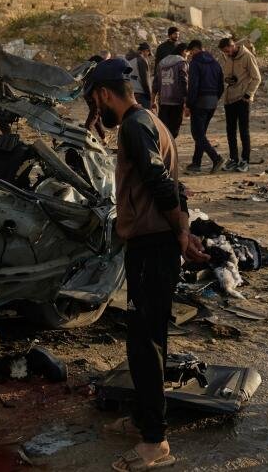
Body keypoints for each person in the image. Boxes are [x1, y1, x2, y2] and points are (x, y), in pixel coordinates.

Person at [83, 58, 206, 472]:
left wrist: (181, 232)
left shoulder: (134, 128)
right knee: (148, 336)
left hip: (152, 248)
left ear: (105, 94)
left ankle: (155, 440)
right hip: (157, 243)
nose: (97, 110)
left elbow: (160, 183)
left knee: (144, 343)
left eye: (95, 101)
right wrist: (183, 229)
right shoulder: (152, 121)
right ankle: (142, 419)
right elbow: (174, 185)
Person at [219, 38, 262, 172]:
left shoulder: (247, 56)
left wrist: (248, 94)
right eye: (224, 52)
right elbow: (226, 75)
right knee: (230, 131)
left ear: (233, 46)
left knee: (243, 131)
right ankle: (233, 159)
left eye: (227, 51)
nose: (226, 54)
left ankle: (245, 160)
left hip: (243, 99)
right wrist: (228, 79)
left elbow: (257, 78)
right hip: (229, 98)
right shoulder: (228, 57)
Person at [185, 44, 224, 173]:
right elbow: (221, 85)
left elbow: (193, 86)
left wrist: (189, 104)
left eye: (191, 52)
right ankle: (196, 162)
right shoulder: (215, 63)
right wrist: (215, 98)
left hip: (200, 102)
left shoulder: (195, 63)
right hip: (212, 102)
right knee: (201, 134)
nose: (191, 55)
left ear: (195, 49)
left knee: (197, 134)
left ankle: (216, 158)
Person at [153, 40, 194, 138]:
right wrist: (186, 101)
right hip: (176, 100)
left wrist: (153, 99)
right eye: (188, 53)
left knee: (163, 128)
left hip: (163, 100)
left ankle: (164, 145)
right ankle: (170, 145)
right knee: (174, 129)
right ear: (184, 51)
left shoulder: (162, 62)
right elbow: (184, 81)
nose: (188, 56)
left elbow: (156, 82)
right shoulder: (182, 62)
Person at [84, 51, 111, 141]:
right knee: (94, 115)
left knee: (95, 116)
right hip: (96, 94)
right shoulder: (102, 65)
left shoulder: (90, 63)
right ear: (105, 57)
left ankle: (103, 137)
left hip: (87, 92)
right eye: (108, 58)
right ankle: (84, 136)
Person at [126, 43, 155, 109]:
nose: (148, 56)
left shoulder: (128, 60)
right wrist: (150, 97)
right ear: (146, 51)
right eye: (148, 54)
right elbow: (145, 81)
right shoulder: (141, 60)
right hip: (141, 95)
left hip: (129, 95)